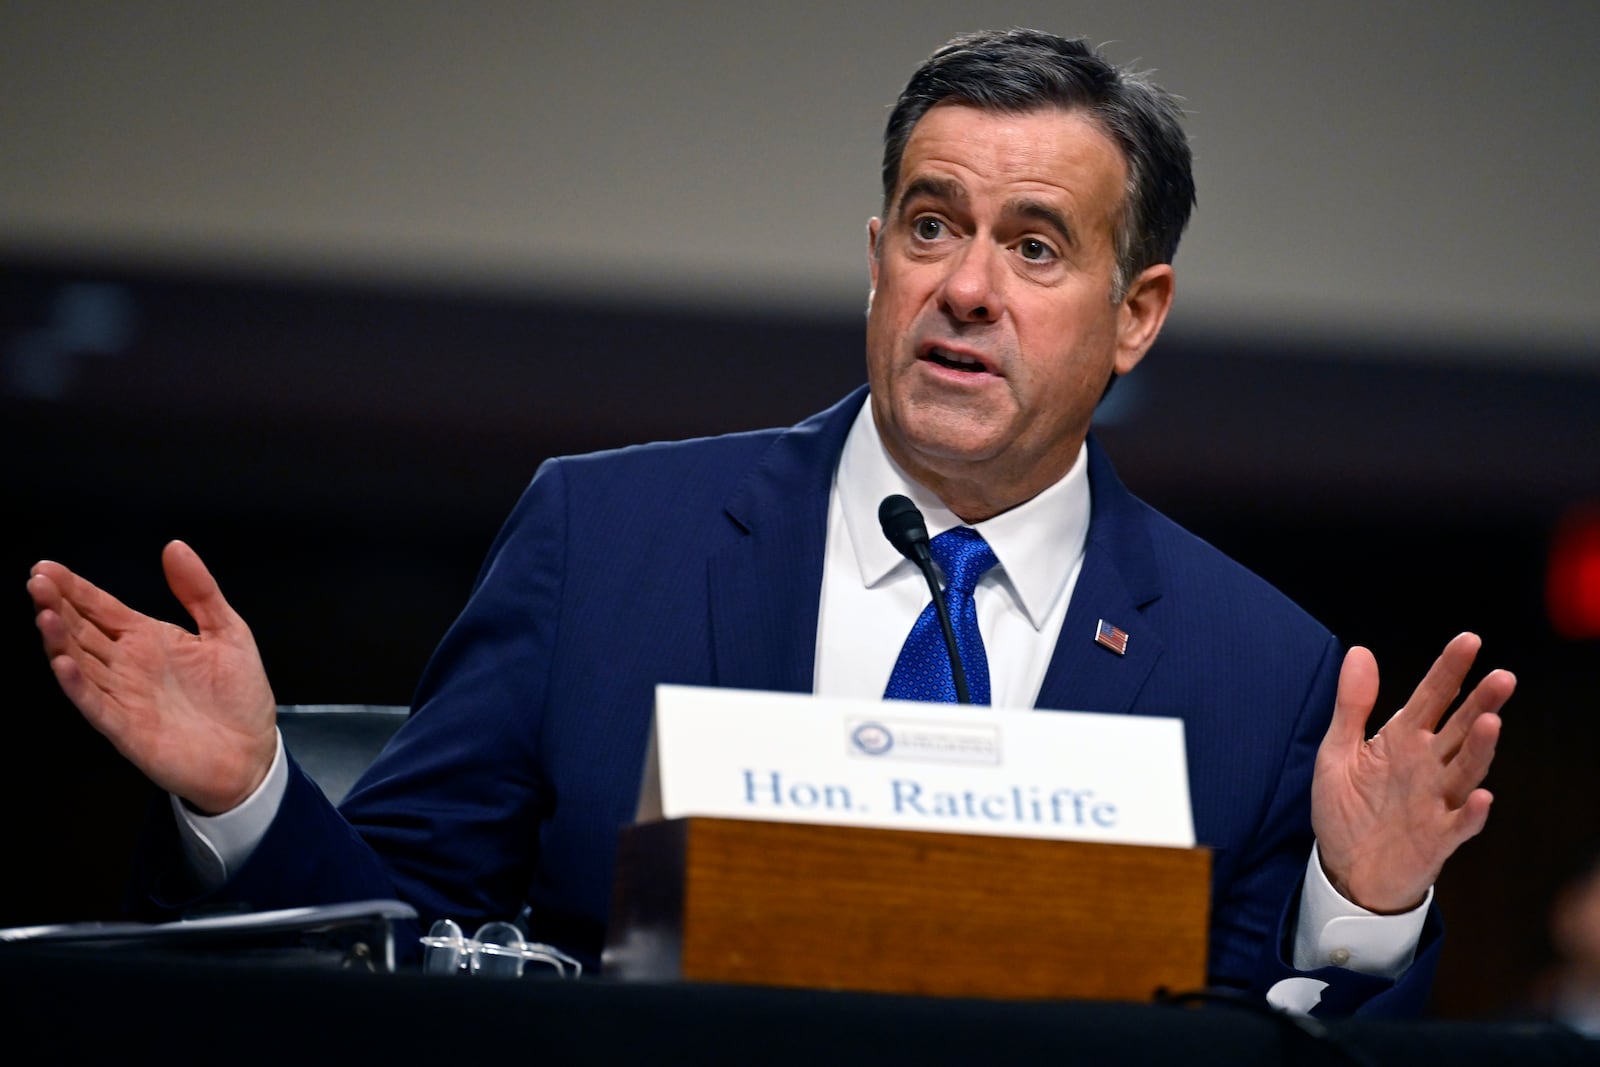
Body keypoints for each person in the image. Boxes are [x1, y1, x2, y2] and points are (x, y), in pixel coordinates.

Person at [27, 29, 1511, 1016]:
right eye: (932, 226)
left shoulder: (1262, 674)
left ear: (1138, 316)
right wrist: (250, 798)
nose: (968, 287)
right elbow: (398, 954)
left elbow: (1284, 1052)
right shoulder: (605, 543)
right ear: (876, 260)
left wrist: (1361, 910)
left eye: (1036, 246)